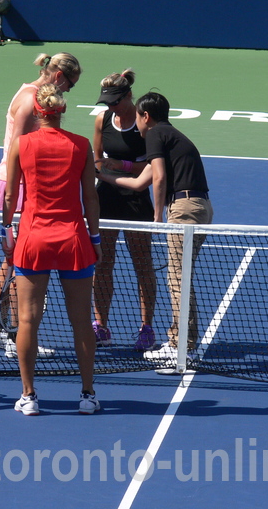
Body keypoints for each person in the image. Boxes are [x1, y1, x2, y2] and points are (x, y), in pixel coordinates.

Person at [2, 83, 102, 415]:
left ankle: (28, 396)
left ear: (40, 112)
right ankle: (87, 395)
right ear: (61, 112)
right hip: (73, 240)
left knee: (28, 320)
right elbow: (90, 197)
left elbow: (9, 196)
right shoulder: (81, 145)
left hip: (33, 240)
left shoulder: (22, 144)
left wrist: (6, 228)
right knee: (82, 321)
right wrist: (96, 238)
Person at [97, 91, 213, 367]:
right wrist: (100, 175)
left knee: (178, 280)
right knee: (179, 278)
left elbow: (159, 178)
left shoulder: (154, 134)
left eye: (137, 117)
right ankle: (179, 342)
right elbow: (139, 183)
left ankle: (182, 346)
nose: (135, 123)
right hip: (197, 207)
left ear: (145, 116)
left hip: (184, 209)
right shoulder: (168, 136)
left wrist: (156, 217)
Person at [0, 52, 82, 360]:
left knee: (13, 259)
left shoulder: (28, 91)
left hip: (20, 184)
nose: (69, 91)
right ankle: (15, 334)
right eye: (70, 84)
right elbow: (18, 150)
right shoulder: (30, 101)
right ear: (58, 77)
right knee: (20, 260)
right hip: (21, 186)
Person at [91, 69, 156, 351]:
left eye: (115, 101)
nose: (111, 106)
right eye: (107, 102)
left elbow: (156, 165)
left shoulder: (146, 123)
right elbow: (96, 160)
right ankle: (101, 326)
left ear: (129, 95)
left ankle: (147, 328)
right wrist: (108, 173)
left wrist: (123, 167)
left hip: (137, 201)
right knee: (102, 263)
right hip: (105, 199)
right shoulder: (102, 119)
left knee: (142, 264)